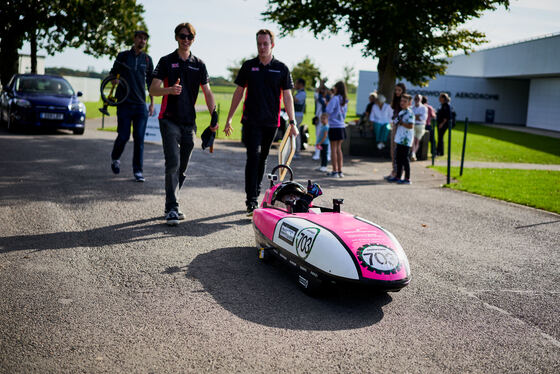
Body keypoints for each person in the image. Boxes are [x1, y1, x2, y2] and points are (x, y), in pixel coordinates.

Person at [223, 29, 298, 216]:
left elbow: (288, 97)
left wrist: (292, 122)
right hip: (250, 121)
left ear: (272, 45)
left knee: (263, 157)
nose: (262, 47)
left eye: (265, 43)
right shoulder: (249, 66)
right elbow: (238, 93)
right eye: (259, 44)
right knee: (253, 156)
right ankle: (252, 199)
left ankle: (255, 195)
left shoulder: (281, 68)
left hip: (271, 123)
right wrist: (229, 118)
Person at [149, 22, 217, 226]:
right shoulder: (166, 61)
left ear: (193, 39)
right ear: (176, 37)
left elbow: (207, 91)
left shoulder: (199, 64)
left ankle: (173, 201)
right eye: (182, 36)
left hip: (190, 123)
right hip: (169, 119)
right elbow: (153, 90)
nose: (186, 40)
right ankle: (172, 208)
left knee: (183, 167)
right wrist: (169, 90)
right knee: (173, 163)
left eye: (190, 37)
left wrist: (214, 116)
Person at [110, 30, 154, 182]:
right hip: (124, 103)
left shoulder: (147, 60)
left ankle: (138, 171)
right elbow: (112, 74)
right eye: (140, 38)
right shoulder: (123, 56)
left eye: (145, 39)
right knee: (123, 136)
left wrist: (152, 103)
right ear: (134, 39)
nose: (142, 41)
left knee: (139, 138)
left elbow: (151, 84)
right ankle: (115, 158)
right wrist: (114, 80)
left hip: (141, 105)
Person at [388, 94, 414, 184]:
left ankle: (407, 178)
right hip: (399, 138)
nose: (402, 103)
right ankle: (398, 176)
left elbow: (411, 126)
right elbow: (396, 122)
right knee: (398, 158)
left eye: (405, 101)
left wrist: (401, 123)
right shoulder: (401, 112)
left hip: (406, 140)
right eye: (401, 101)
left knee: (405, 159)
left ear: (409, 103)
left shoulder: (410, 113)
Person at [325, 81, 348, 178]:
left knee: (333, 149)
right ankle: (340, 170)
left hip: (334, 126)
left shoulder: (335, 98)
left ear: (337, 88)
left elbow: (328, 110)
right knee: (339, 149)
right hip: (342, 126)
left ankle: (334, 171)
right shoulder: (345, 99)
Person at [386, 82, 406, 180]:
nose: (397, 92)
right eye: (396, 90)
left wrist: (395, 121)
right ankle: (394, 171)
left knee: (398, 151)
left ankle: (399, 173)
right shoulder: (395, 101)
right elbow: (395, 115)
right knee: (392, 151)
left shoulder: (404, 101)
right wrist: (393, 122)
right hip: (395, 126)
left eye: (399, 90)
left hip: (401, 128)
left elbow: (402, 115)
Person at [411, 94, 428, 161]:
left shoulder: (424, 108)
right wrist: (417, 116)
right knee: (412, 139)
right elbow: (411, 117)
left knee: (416, 141)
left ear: (421, 99)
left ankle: (413, 153)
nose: (416, 100)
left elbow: (423, 118)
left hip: (420, 126)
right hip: (413, 125)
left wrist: (416, 116)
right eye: (415, 99)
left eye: (418, 99)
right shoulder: (412, 108)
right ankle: (413, 153)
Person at [293, 78, 306, 158]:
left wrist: (292, 90)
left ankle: (297, 151)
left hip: (298, 115)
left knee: (296, 132)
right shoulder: (299, 92)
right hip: (296, 114)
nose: (295, 85)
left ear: (300, 84)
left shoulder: (302, 93)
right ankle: (294, 150)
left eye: (296, 83)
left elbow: (294, 100)